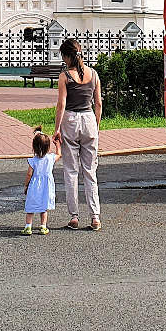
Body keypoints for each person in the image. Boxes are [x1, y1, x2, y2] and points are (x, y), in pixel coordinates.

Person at [53, 37, 102, 230]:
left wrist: (56, 129)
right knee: (90, 172)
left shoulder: (65, 76)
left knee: (71, 171)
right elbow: (98, 103)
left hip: (71, 121)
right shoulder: (94, 74)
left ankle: (74, 216)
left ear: (66, 56)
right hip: (89, 119)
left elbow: (61, 104)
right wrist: (96, 127)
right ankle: (95, 216)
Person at [21, 126, 56, 235]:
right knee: (43, 207)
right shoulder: (50, 158)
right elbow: (59, 154)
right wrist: (58, 144)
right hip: (46, 187)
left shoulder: (33, 160)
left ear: (34, 147)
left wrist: (26, 185)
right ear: (48, 147)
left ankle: (28, 226)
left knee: (30, 207)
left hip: (34, 186)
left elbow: (29, 174)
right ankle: (43, 226)